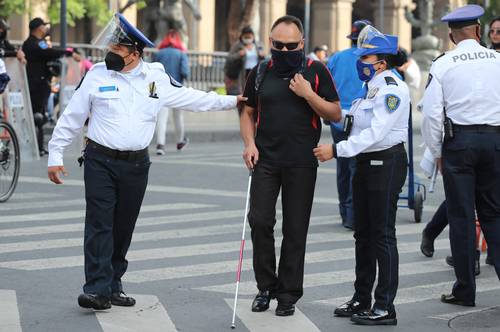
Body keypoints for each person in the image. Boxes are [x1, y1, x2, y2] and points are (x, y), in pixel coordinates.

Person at [47, 13, 246, 311]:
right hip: (99, 159)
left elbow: (190, 98)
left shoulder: (155, 76)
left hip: (136, 165)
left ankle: (113, 284)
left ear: (135, 53)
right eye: (110, 47)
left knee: (123, 227)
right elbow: (72, 117)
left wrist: (232, 101)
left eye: (117, 49)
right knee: (100, 224)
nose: (110, 53)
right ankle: (97, 289)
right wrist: (55, 153)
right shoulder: (97, 74)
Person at [240, 15, 341, 316]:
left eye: (290, 46)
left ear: (302, 43)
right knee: (259, 221)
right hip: (266, 159)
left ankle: (288, 294)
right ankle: (266, 286)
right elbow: (247, 111)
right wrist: (249, 143)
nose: (284, 52)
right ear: (270, 43)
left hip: (301, 161)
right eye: (278, 46)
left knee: (295, 229)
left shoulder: (316, 70)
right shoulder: (259, 71)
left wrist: (308, 94)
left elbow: (335, 113)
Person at [314, 25, 409, 326]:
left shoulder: (392, 88)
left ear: (380, 62)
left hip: (386, 163)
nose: (360, 63)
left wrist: (337, 149)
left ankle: (385, 306)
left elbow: (376, 133)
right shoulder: (372, 88)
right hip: (366, 164)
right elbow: (353, 119)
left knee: (382, 235)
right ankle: (361, 298)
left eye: (364, 58)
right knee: (363, 234)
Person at [421, 4, 500, 307]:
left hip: (460, 143)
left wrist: (437, 150)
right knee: (494, 215)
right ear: (479, 31)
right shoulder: (497, 59)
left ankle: (465, 290)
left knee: (462, 217)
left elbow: (430, 115)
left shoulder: (444, 63)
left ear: (452, 36)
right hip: (495, 142)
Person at [326, 19, 371, 229]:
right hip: (361, 120)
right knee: (356, 166)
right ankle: (353, 214)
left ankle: (344, 210)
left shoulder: (336, 58)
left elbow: (325, 84)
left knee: (343, 166)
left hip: (337, 120)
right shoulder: (370, 59)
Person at [22, 17, 80, 156]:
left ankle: (39, 147)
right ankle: (35, 146)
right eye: (44, 26)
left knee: (40, 115)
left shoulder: (39, 43)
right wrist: (69, 52)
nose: (46, 28)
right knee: (37, 116)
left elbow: (49, 51)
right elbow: (49, 53)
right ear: (38, 28)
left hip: (41, 83)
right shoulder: (32, 44)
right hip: (35, 84)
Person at [153, 30, 190, 155]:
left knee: (161, 118)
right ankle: (180, 142)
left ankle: (160, 145)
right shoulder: (181, 54)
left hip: (160, 89)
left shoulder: (159, 53)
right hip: (176, 90)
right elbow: (185, 72)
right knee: (178, 117)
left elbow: (152, 71)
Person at [224, 26, 265, 95]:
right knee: (244, 89)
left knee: (254, 90)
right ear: (242, 36)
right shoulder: (237, 45)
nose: (248, 39)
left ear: (253, 36)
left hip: (255, 71)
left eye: (249, 37)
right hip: (242, 73)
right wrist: (239, 54)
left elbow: (263, 58)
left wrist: (262, 55)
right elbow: (229, 58)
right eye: (246, 37)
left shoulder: (258, 45)